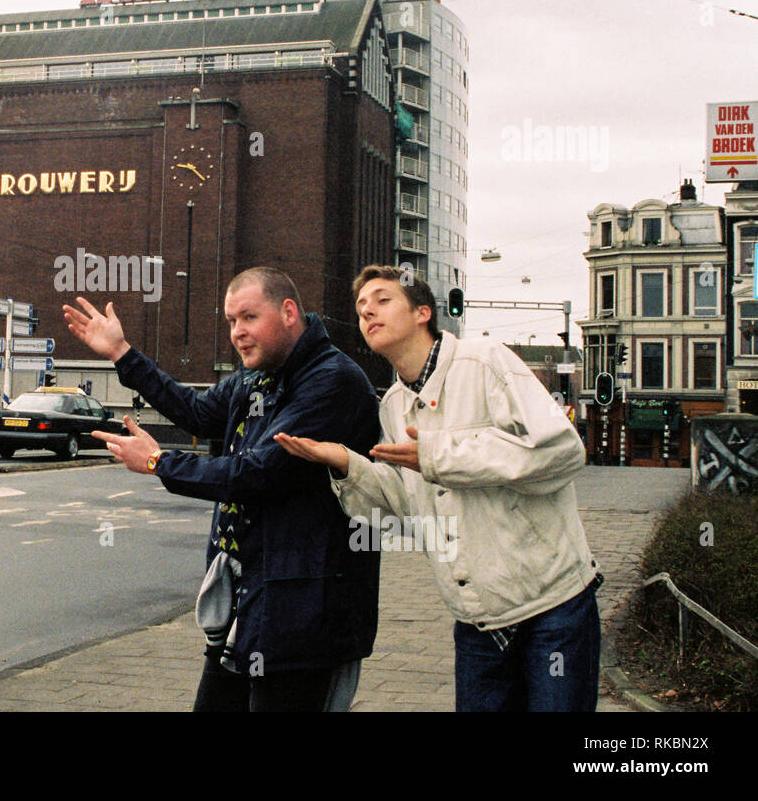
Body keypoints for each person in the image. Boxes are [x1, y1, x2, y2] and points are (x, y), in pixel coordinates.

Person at [274, 265, 601, 712]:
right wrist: (345, 463)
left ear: (424, 311)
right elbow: (409, 509)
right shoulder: (392, 406)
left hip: (552, 608)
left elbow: (561, 452)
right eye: (361, 308)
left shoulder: (483, 360)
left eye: (383, 299)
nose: (368, 311)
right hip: (475, 621)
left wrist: (438, 455)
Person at [64, 267, 382, 712]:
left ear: (288, 312)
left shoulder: (331, 381)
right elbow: (196, 411)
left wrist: (159, 462)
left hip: (303, 618)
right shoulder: (256, 377)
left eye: (249, 318)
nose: (238, 333)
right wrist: (122, 353)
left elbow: (259, 475)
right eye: (231, 321)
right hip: (248, 608)